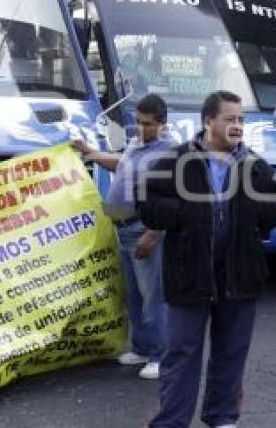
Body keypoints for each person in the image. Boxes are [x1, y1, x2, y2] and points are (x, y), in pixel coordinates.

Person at [137, 90, 276, 428]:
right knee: (180, 355)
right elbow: (147, 203)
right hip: (189, 274)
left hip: (240, 274)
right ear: (208, 121)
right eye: (230, 119)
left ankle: (222, 418)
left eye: (241, 120)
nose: (237, 126)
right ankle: (172, 422)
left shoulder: (253, 164)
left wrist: (252, 211)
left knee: (231, 353)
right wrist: (187, 213)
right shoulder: (177, 161)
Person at [72, 93, 175, 380]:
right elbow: (121, 164)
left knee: (153, 296)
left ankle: (160, 356)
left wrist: (153, 234)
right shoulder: (138, 143)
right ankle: (142, 347)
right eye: (138, 123)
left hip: (144, 229)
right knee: (134, 295)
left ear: (162, 124)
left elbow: (172, 198)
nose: (141, 129)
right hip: (123, 228)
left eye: (147, 124)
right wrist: (89, 151)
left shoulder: (169, 152)